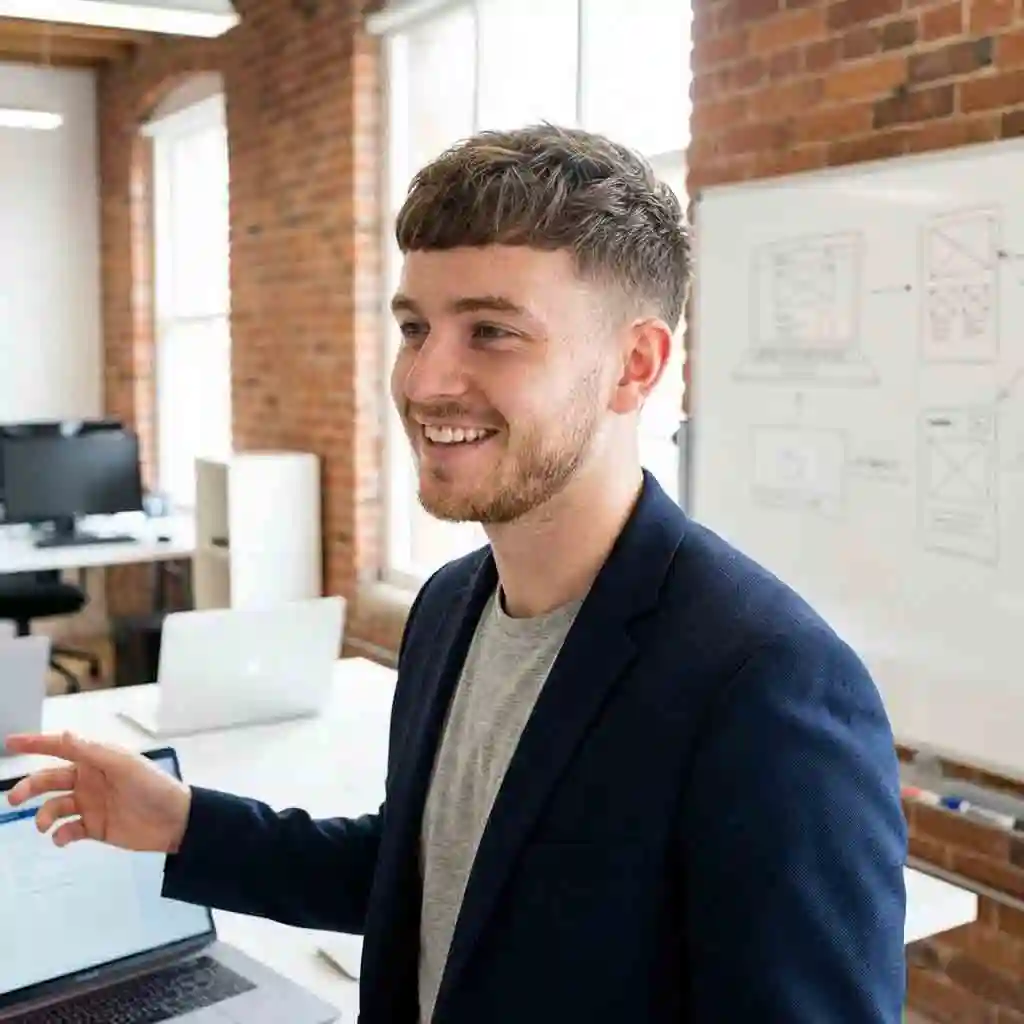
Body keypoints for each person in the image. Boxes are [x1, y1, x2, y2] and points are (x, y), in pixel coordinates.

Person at [5, 124, 907, 1023]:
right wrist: (184, 823)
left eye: (492, 332)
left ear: (634, 367)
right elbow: (429, 876)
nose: (426, 380)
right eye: (414, 328)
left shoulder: (768, 684)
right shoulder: (450, 606)